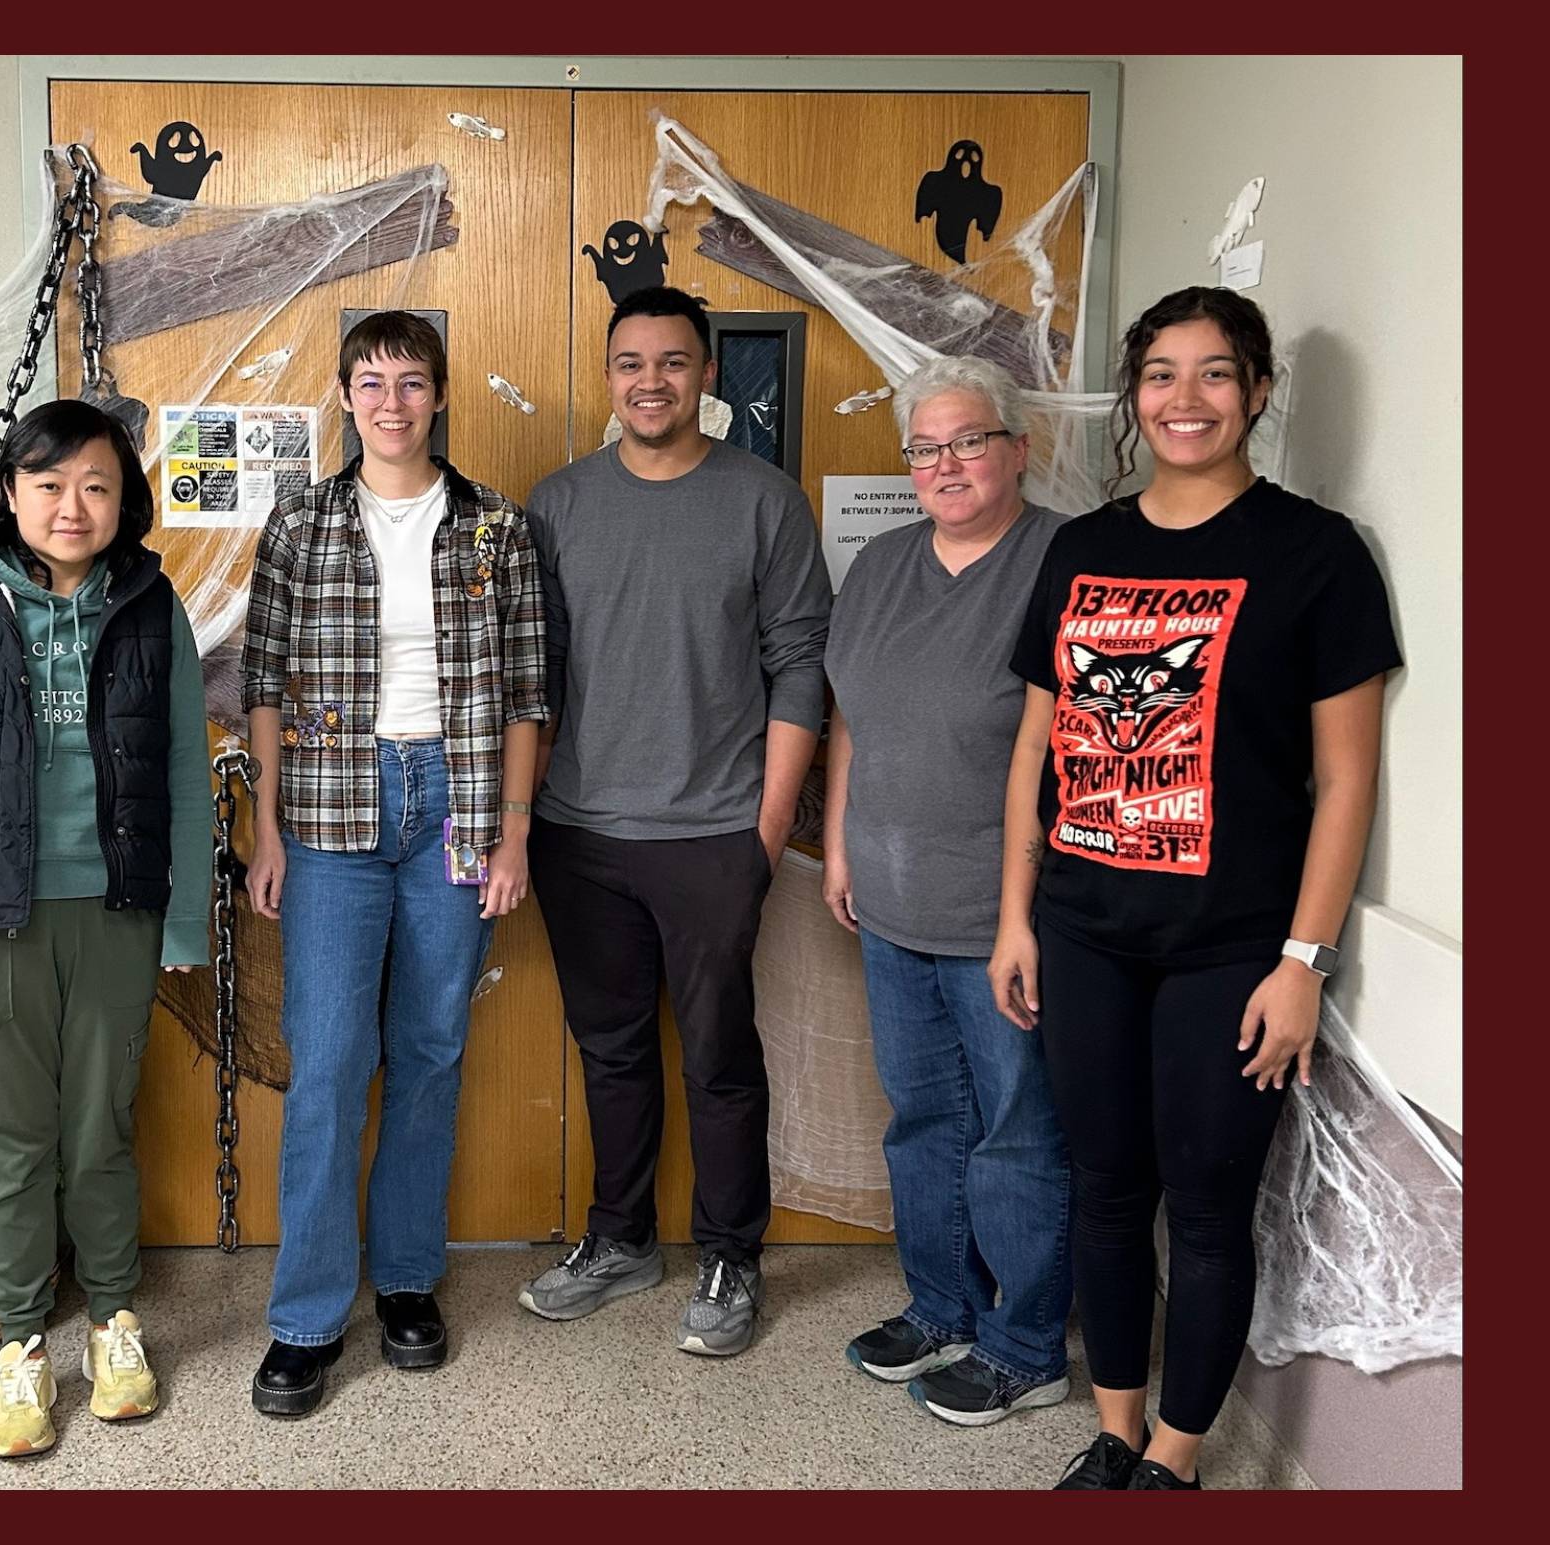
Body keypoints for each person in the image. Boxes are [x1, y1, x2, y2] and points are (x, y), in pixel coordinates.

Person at [992, 287, 1400, 1490]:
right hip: (1080, 931)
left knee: (1208, 1208)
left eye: (1214, 374)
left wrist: (1302, 964)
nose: (1183, 400)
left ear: (1257, 393)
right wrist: (1013, 918)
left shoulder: (1313, 554)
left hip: (1231, 948)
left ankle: (1174, 1459)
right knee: (1106, 1191)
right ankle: (1114, 1434)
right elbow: (1035, 750)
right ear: (1133, 397)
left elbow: (1343, 783)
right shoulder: (1083, 546)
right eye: (1159, 375)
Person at [0, 398, 211, 1458]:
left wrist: (185, 913)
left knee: (98, 1132)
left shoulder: (154, 611)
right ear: (10, 492)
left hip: (111, 909)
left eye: (96, 485)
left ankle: (112, 1324)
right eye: (50, 484)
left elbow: (186, 776)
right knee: (9, 1142)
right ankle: (22, 1347)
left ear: (124, 499)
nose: (73, 505)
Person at [240, 311, 547, 1417]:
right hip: (328, 813)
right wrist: (266, 829)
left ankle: (407, 1281)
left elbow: (525, 696)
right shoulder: (301, 523)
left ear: (439, 395)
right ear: (343, 396)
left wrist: (511, 832)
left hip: (454, 806)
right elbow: (261, 685)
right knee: (325, 1063)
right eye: (369, 382)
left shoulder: (495, 530)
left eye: (410, 382)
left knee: (428, 1051)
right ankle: (307, 1317)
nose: (390, 402)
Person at [517, 285, 832, 1356]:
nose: (648, 381)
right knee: (608, 1050)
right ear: (608, 379)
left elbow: (800, 665)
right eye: (629, 363)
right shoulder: (556, 503)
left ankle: (729, 1255)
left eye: (671, 362)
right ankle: (619, 1240)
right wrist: (524, 820)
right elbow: (532, 676)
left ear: (706, 376)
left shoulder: (764, 501)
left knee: (716, 1055)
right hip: (579, 834)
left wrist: (766, 824)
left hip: (713, 833)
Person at [822, 355, 1074, 1425]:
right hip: (886, 902)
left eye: (967, 440)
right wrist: (837, 846)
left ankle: (1025, 1345)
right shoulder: (879, 566)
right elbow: (848, 717)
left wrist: (1020, 916)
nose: (944, 465)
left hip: (1002, 917)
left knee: (1017, 1130)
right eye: (923, 448)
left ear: (1018, 446)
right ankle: (942, 1310)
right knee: (922, 1119)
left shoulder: (1062, 559)